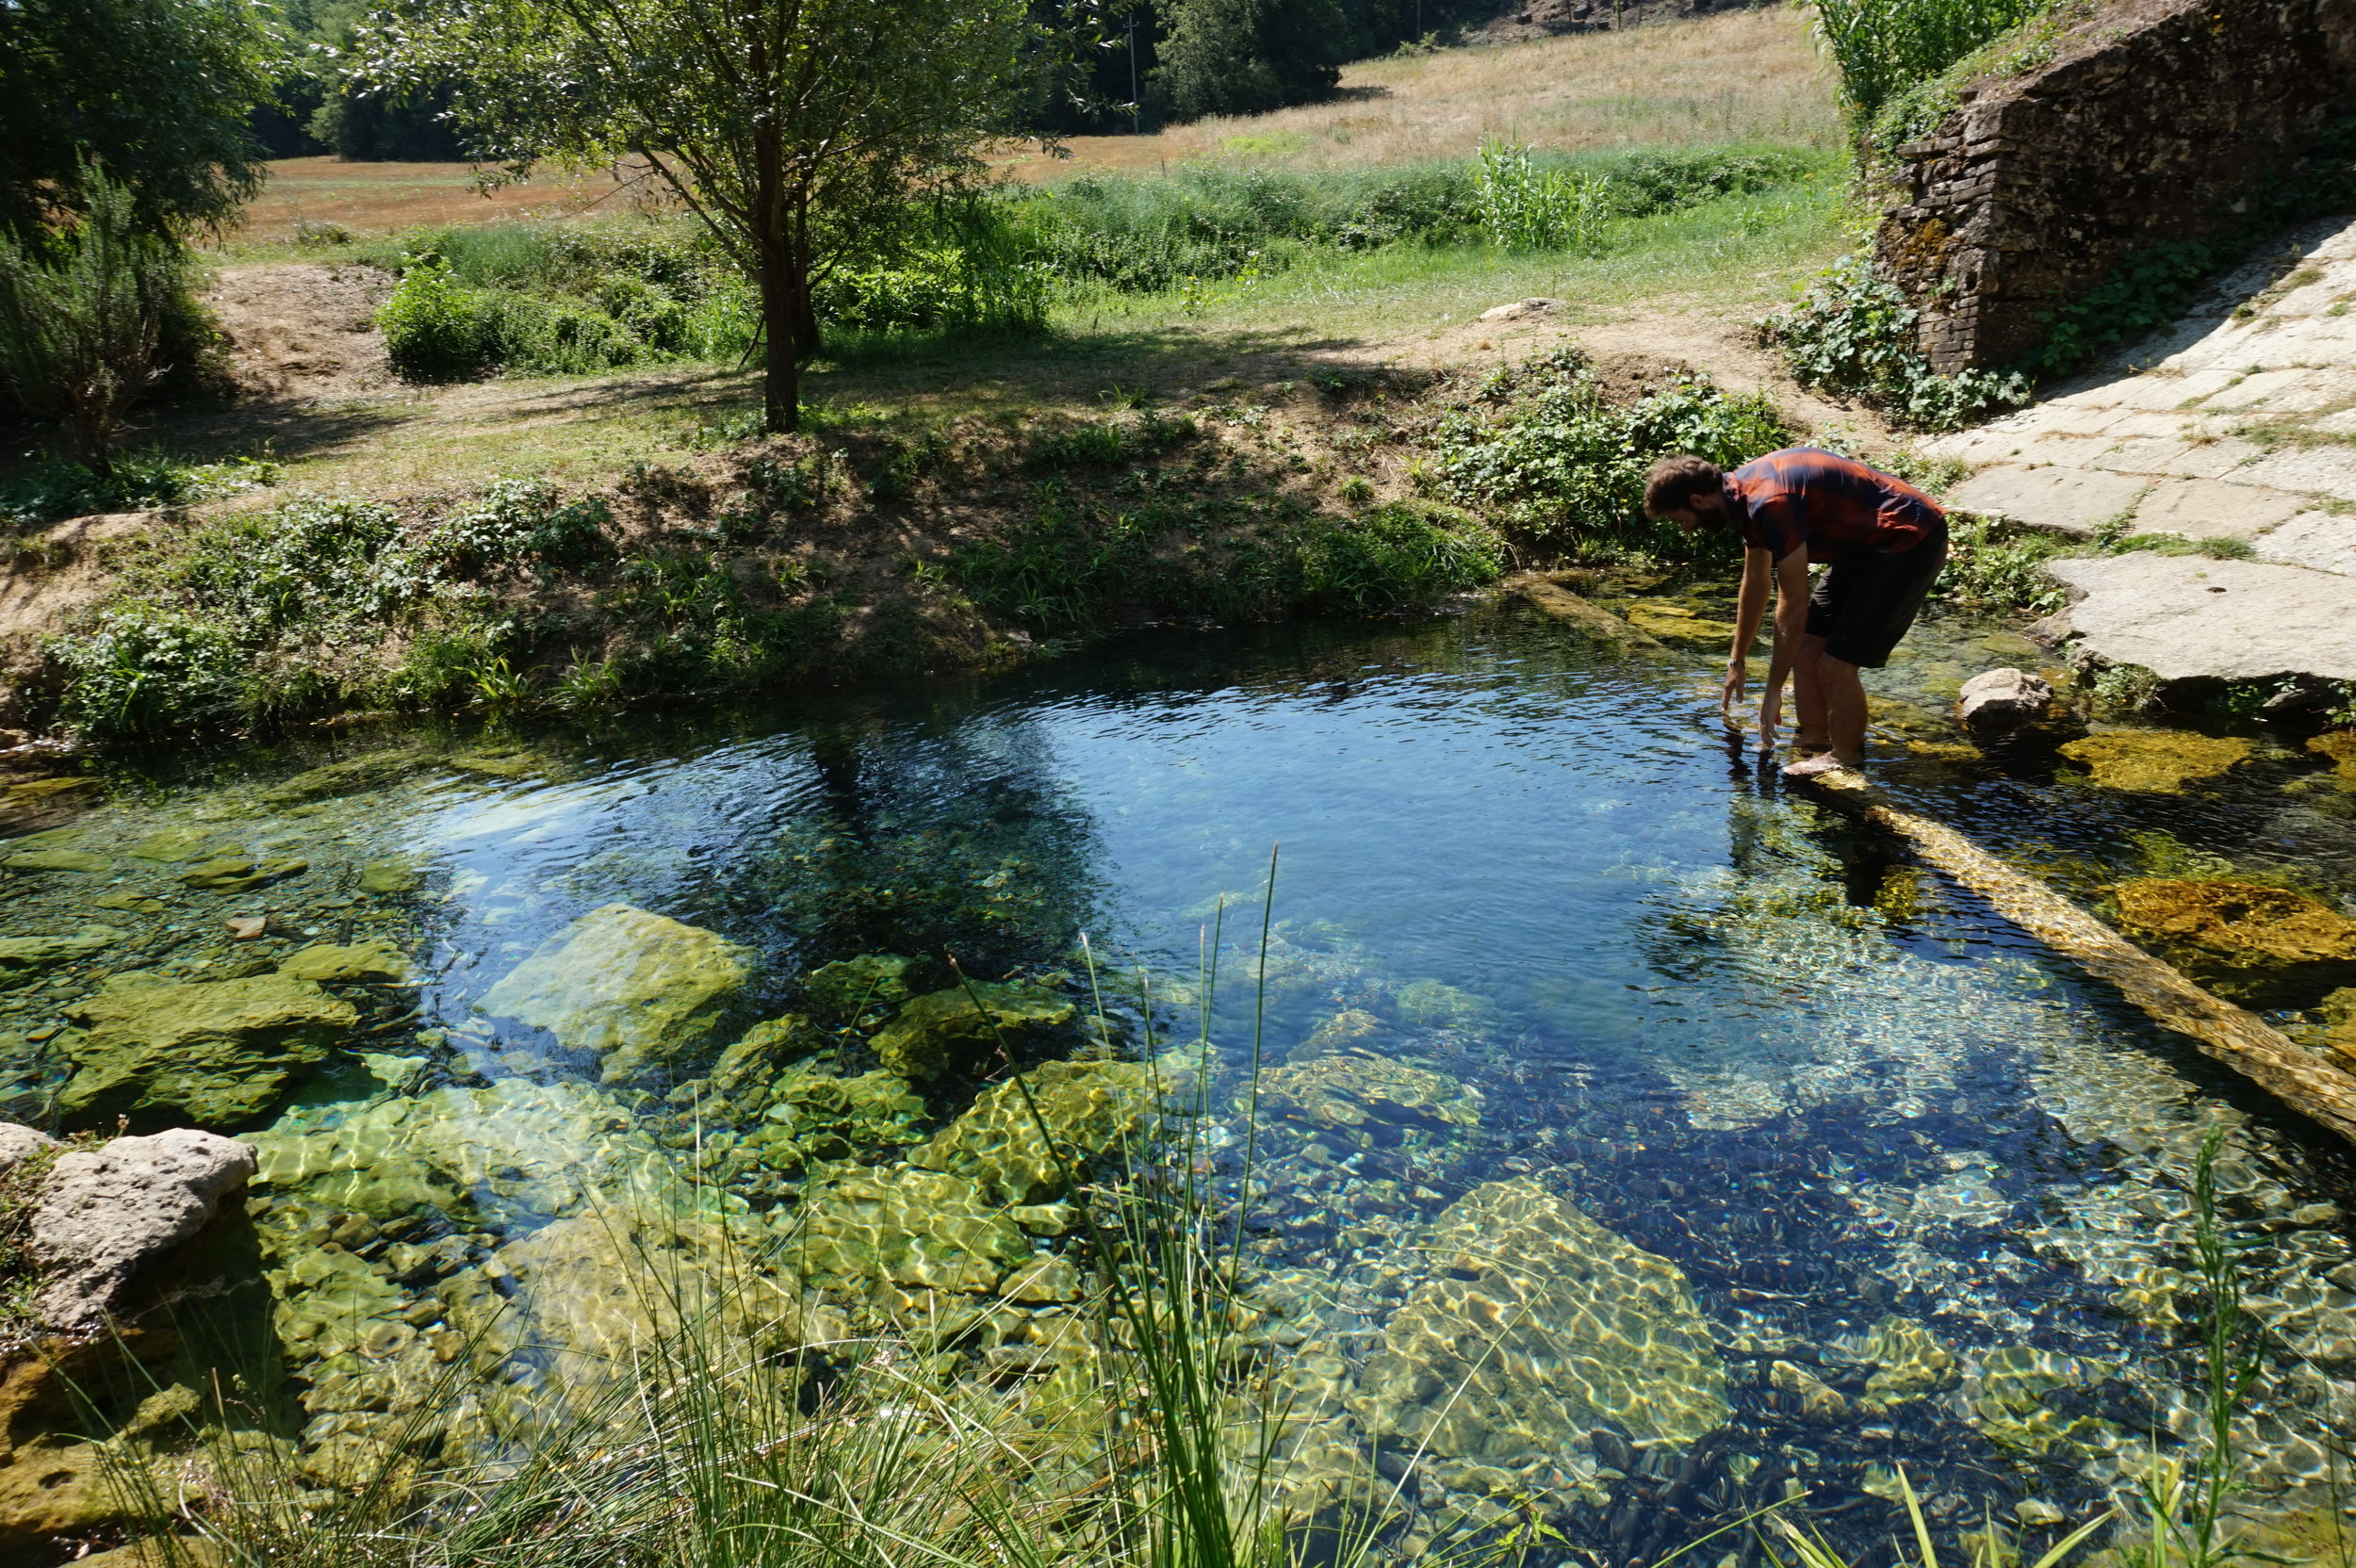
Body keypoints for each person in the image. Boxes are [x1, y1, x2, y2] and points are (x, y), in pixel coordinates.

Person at [1641, 448, 1948, 778]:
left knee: (1837, 664)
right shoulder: (1741, 497)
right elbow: (1756, 582)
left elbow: (1793, 607)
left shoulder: (1769, 503)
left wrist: (1773, 691)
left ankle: (1847, 757)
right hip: (1862, 548)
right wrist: (1737, 660)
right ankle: (1815, 739)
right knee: (1807, 646)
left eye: (1679, 519)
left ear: (1697, 500)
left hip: (1908, 540)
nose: (1685, 529)